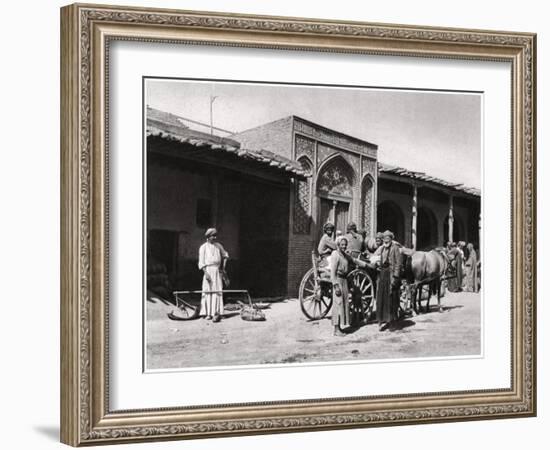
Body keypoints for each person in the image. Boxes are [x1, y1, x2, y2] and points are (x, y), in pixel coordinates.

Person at [329, 236, 369, 336]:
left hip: (344, 281)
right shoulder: (335, 255)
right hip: (338, 280)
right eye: (342, 244)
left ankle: (339, 328)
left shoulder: (345, 255)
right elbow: (332, 272)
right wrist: (335, 285)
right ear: (338, 245)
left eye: (345, 244)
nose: (344, 246)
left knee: (343, 303)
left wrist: (367, 265)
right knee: (337, 304)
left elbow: (355, 261)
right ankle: (336, 329)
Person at [198, 228, 229, 322]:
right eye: (213, 236)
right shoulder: (203, 247)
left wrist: (223, 267)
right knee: (208, 290)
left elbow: (225, 255)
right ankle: (207, 313)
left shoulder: (218, 245)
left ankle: (218, 312)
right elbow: (201, 262)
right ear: (208, 236)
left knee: (218, 290)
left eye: (215, 236)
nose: (215, 237)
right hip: (208, 270)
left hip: (217, 270)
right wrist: (206, 273)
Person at [375, 230, 402, 331]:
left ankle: (391, 322)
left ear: (391, 239)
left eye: (388, 238)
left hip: (391, 275)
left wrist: (395, 277)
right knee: (381, 298)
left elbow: (398, 264)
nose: (386, 240)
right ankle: (381, 320)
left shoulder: (395, 249)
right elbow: (376, 258)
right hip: (382, 275)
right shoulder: (381, 249)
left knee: (391, 300)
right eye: (385, 238)